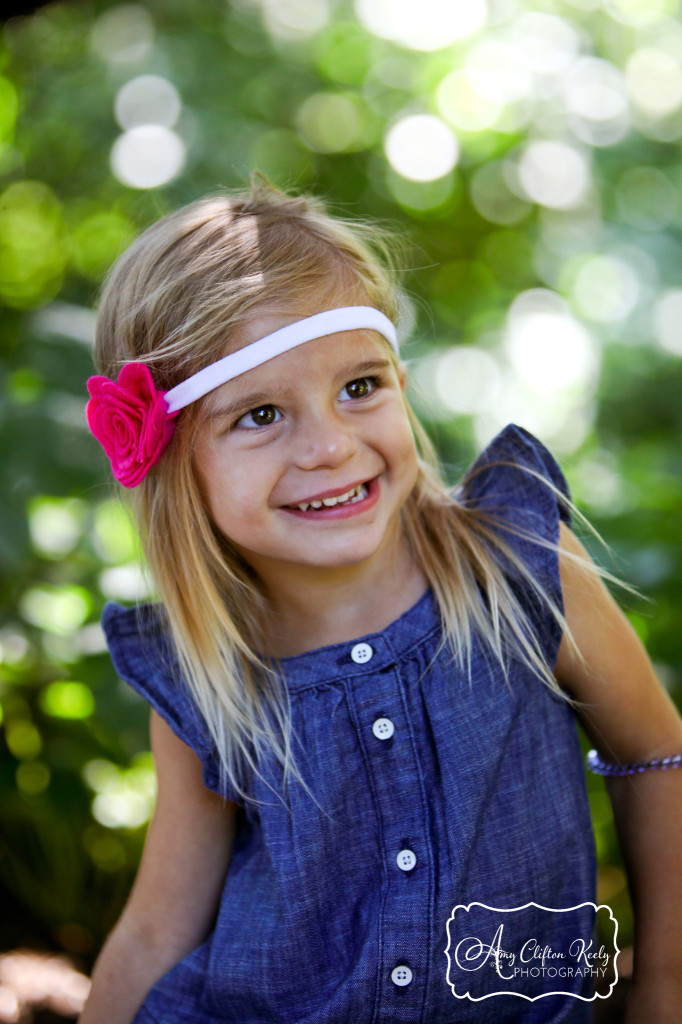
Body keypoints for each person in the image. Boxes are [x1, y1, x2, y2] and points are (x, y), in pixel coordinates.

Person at [78, 176, 682, 1024]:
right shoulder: (209, 670)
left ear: (401, 380)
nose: (330, 445)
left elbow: (657, 757)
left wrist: (665, 982)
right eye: (259, 414)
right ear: (176, 461)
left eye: (359, 387)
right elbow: (156, 927)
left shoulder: (518, 566)